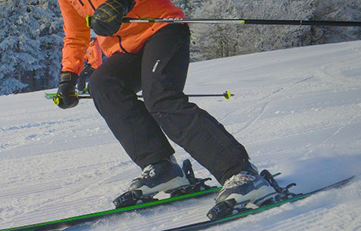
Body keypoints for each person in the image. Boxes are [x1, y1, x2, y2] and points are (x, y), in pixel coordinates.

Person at [53, 0, 275, 210]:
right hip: (127, 50)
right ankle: (162, 168)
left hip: (162, 28)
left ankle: (240, 172)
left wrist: (122, 3)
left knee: (160, 98)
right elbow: (75, 34)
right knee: (103, 85)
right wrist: (68, 76)